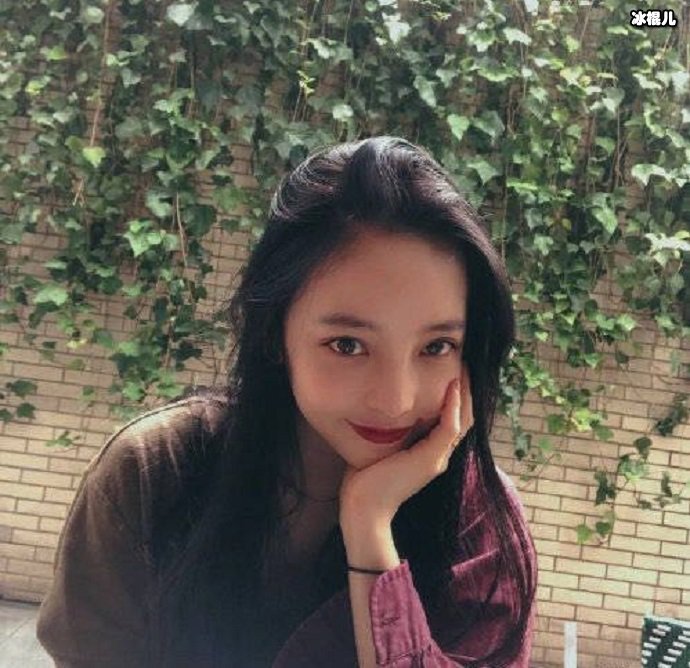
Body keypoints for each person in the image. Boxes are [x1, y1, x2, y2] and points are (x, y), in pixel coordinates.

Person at [36, 136, 538, 667]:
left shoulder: (479, 519)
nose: (396, 400)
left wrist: (369, 525)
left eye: (436, 347)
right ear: (275, 331)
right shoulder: (159, 471)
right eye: (348, 345)